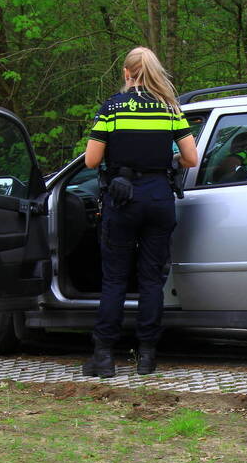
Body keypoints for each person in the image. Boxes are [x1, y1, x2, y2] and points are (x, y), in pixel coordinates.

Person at [82, 47, 198, 377]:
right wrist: (165, 162)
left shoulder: (112, 108)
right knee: (151, 280)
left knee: (115, 279)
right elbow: (191, 158)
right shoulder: (169, 108)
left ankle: (104, 357)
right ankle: (147, 356)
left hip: (122, 200)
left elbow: (91, 160)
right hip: (159, 199)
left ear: (126, 73)